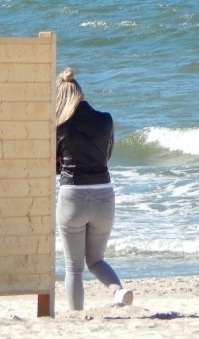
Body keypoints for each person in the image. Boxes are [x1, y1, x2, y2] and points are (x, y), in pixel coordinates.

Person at [54, 67, 132, 311]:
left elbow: (55, 164)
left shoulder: (59, 126)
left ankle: (76, 314)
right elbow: (106, 156)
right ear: (81, 93)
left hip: (73, 196)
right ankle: (118, 292)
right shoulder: (105, 119)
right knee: (96, 259)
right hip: (104, 195)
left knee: (74, 267)